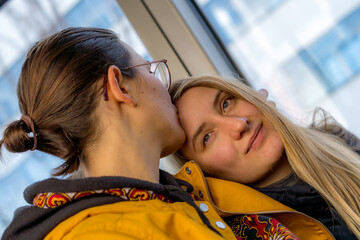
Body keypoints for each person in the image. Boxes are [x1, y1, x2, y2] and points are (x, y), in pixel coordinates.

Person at [0, 27, 239, 240]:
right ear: (120, 87)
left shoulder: (152, 206)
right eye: (150, 70)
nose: (164, 87)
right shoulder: (115, 232)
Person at [170, 75, 360, 240]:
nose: (239, 125)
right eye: (207, 137)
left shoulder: (340, 141)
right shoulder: (251, 234)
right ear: (206, 174)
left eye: (226, 103)